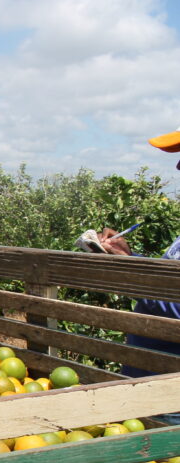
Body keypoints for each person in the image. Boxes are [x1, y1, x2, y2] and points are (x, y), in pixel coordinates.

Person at [97, 126, 180, 380]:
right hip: (151, 381)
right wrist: (129, 258)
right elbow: (170, 281)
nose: (178, 166)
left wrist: (135, 276)